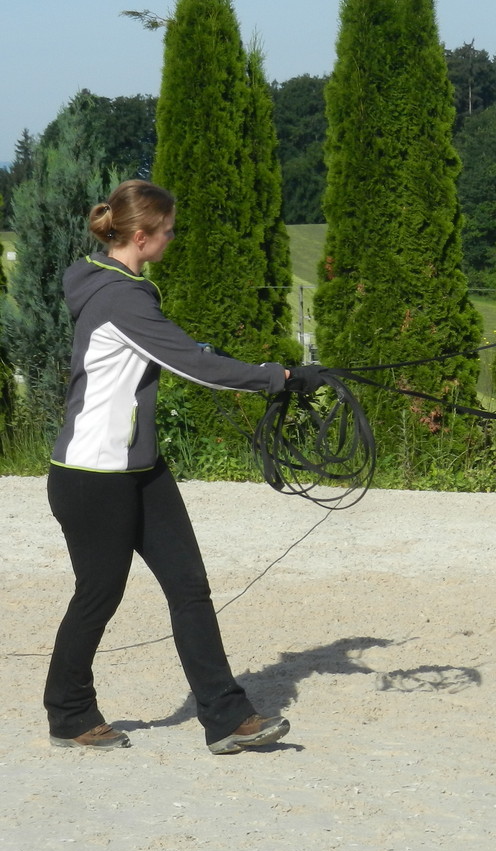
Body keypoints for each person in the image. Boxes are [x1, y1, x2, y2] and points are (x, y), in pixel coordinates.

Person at [44, 179, 324, 754]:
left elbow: (179, 351)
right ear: (141, 237)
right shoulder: (121, 295)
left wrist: (230, 360)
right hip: (92, 473)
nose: (172, 240)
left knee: (189, 585)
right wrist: (280, 377)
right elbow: (196, 370)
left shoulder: (120, 285)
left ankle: (226, 717)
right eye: (167, 232)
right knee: (100, 592)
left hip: (139, 466)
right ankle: (68, 712)